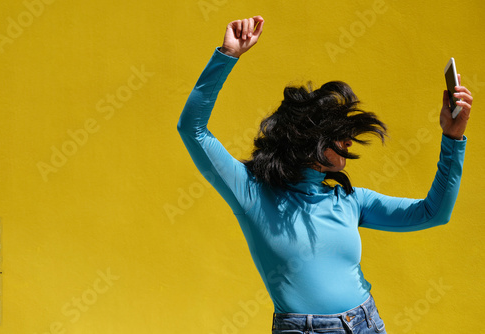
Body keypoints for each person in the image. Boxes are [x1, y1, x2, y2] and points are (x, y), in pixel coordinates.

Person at [177, 16, 472, 334]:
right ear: (307, 140)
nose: (348, 140)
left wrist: (452, 139)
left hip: (365, 323)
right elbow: (192, 129)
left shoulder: (350, 200)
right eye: (339, 133)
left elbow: (433, 213)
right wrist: (226, 55)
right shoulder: (250, 192)